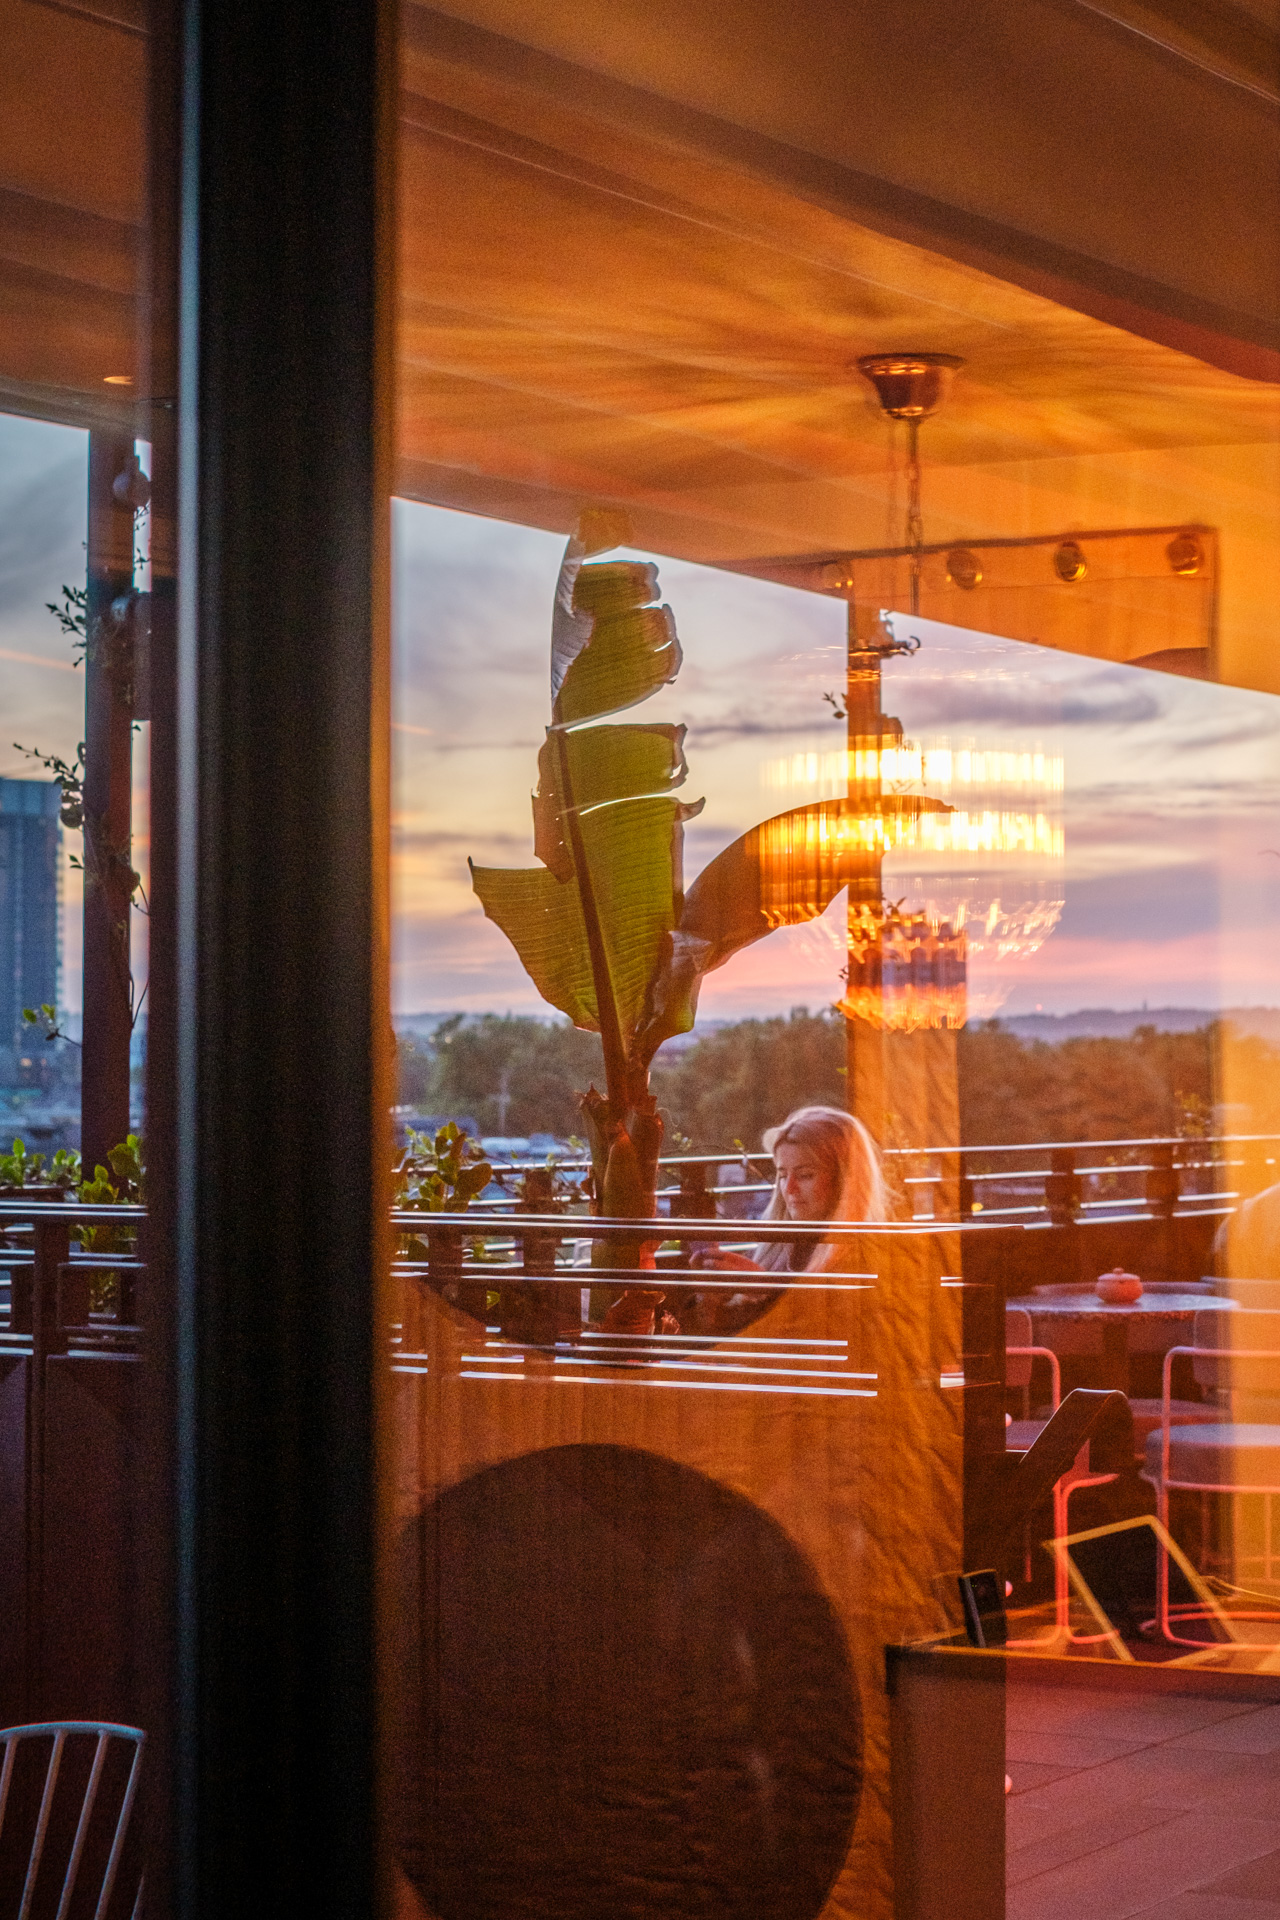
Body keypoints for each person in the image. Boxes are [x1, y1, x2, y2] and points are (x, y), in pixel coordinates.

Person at [693, 1104, 887, 1281]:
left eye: (805, 1175)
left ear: (845, 1180)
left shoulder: (866, 1255)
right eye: (783, 1175)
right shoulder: (776, 1245)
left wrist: (761, 1287)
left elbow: (827, 1308)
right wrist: (714, 1295)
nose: (789, 1188)